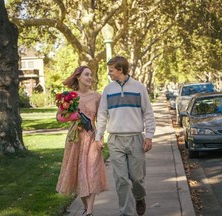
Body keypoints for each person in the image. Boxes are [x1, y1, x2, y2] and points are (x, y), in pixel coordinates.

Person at [95, 56, 156, 216]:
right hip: (115, 139)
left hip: (136, 138)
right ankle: (125, 212)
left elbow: (148, 113)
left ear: (120, 69)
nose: (109, 74)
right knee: (121, 179)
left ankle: (140, 197)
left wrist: (149, 136)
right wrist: (98, 136)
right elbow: (102, 114)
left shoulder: (139, 87)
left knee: (137, 178)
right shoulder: (108, 89)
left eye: (111, 70)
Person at [56, 66, 108, 216]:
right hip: (75, 138)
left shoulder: (97, 97)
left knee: (91, 172)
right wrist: (74, 117)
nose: (89, 77)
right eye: (86, 75)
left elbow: (102, 120)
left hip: (92, 136)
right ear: (78, 77)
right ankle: (87, 209)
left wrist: (100, 138)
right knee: (80, 174)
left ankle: (90, 212)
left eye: (91, 75)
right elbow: (58, 117)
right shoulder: (70, 96)